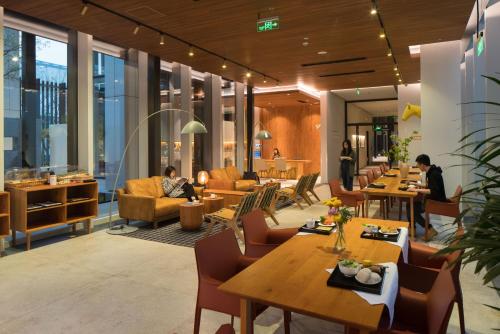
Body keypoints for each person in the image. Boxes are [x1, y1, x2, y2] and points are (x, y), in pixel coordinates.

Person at [407, 154, 445, 240]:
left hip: (435, 201)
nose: (417, 166)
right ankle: (412, 228)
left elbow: (432, 191)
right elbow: (429, 186)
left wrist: (416, 190)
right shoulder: (431, 171)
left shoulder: (434, 174)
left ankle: (430, 229)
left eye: (418, 164)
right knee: (409, 204)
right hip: (432, 199)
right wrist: (415, 184)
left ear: (423, 165)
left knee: (413, 211)